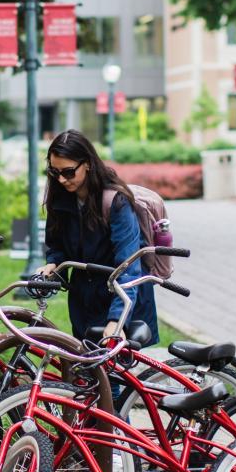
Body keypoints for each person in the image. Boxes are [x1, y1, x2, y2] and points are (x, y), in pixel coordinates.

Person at [36, 129, 159, 344]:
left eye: (68, 172)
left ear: (88, 164)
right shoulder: (59, 199)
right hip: (84, 300)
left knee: (118, 375)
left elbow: (128, 267)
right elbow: (56, 244)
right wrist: (53, 263)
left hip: (122, 300)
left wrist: (117, 319)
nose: (62, 180)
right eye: (54, 173)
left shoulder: (116, 202)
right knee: (87, 371)